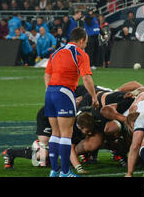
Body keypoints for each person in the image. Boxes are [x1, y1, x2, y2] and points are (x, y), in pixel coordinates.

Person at [44, 27, 99, 177]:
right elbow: (86, 78)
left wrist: (51, 91)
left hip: (50, 93)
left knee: (55, 133)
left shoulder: (56, 52)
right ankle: (65, 172)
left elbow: (47, 74)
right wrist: (94, 97)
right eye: (86, 43)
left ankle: (54, 170)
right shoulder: (80, 53)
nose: (86, 46)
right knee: (66, 134)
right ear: (81, 41)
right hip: (64, 92)